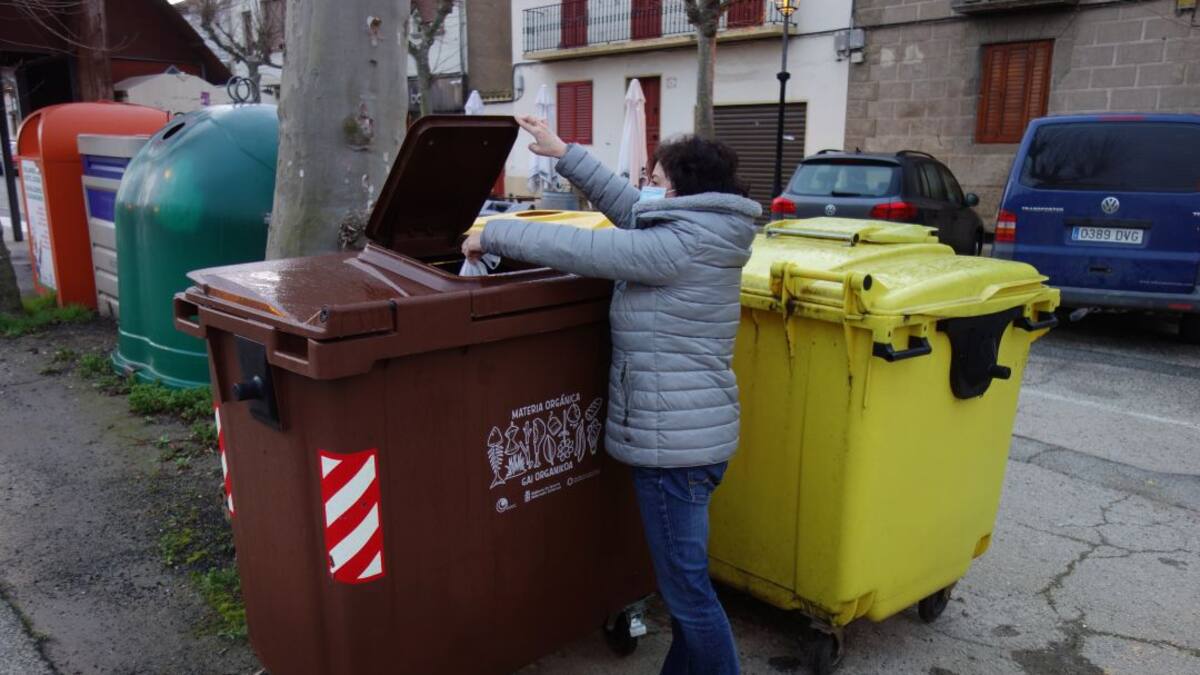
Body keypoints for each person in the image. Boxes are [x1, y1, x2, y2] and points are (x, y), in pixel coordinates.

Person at [463, 115, 759, 675]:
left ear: (679, 190)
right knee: (685, 584)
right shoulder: (703, 231)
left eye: (656, 177)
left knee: (689, 596)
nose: (647, 186)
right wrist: (564, 153)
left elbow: (582, 248)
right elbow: (631, 207)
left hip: (674, 451)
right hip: (692, 440)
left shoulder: (677, 246)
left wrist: (493, 231)